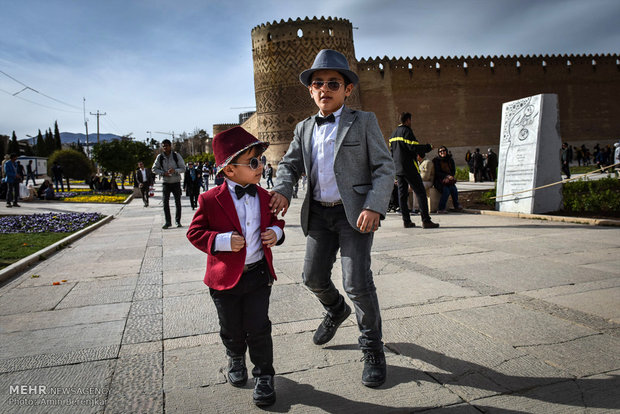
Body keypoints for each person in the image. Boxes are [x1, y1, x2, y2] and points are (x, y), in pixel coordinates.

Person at [269, 49, 395, 388]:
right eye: (318, 83)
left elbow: (384, 167)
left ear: (347, 89)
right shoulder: (303, 128)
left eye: (333, 83)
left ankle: (372, 349)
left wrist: (374, 205)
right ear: (311, 90)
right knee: (312, 277)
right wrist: (282, 188)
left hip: (354, 215)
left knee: (357, 282)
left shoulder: (364, 121)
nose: (325, 89)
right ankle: (336, 310)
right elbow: (290, 165)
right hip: (319, 215)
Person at [186, 126, 285, 407]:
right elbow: (194, 233)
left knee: (259, 327)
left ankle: (264, 375)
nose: (260, 167)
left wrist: (276, 234)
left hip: (257, 275)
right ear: (229, 170)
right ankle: (235, 357)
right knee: (231, 327)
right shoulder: (209, 199)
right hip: (224, 280)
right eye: (253, 162)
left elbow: (276, 223)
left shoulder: (265, 197)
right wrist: (221, 240)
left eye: (262, 161)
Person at [389, 112, 439, 229]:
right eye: (410, 120)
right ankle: (426, 220)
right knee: (420, 192)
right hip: (409, 168)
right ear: (407, 120)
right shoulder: (407, 131)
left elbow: (392, 152)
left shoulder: (393, 135)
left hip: (398, 169)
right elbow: (413, 147)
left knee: (402, 195)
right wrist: (428, 147)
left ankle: (406, 221)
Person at [152, 139, 185, 229]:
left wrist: (175, 171)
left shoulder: (176, 156)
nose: (165, 148)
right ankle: (168, 222)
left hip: (176, 182)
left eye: (166, 146)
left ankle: (178, 221)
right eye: (163, 146)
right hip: (166, 183)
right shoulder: (160, 157)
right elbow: (154, 169)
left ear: (170, 146)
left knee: (177, 202)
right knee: (165, 203)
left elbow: (183, 168)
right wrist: (163, 173)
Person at [432, 146, 462, 213]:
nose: (442, 152)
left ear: (446, 151)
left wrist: (450, 177)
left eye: (444, 150)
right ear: (438, 153)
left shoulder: (450, 160)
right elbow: (437, 172)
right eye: (440, 151)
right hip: (438, 180)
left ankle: (456, 206)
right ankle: (441, 209)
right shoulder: (436, 160)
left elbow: (453, 170)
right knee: (446, 190)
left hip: (449, 180)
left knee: (454, 189)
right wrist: (446, 176)